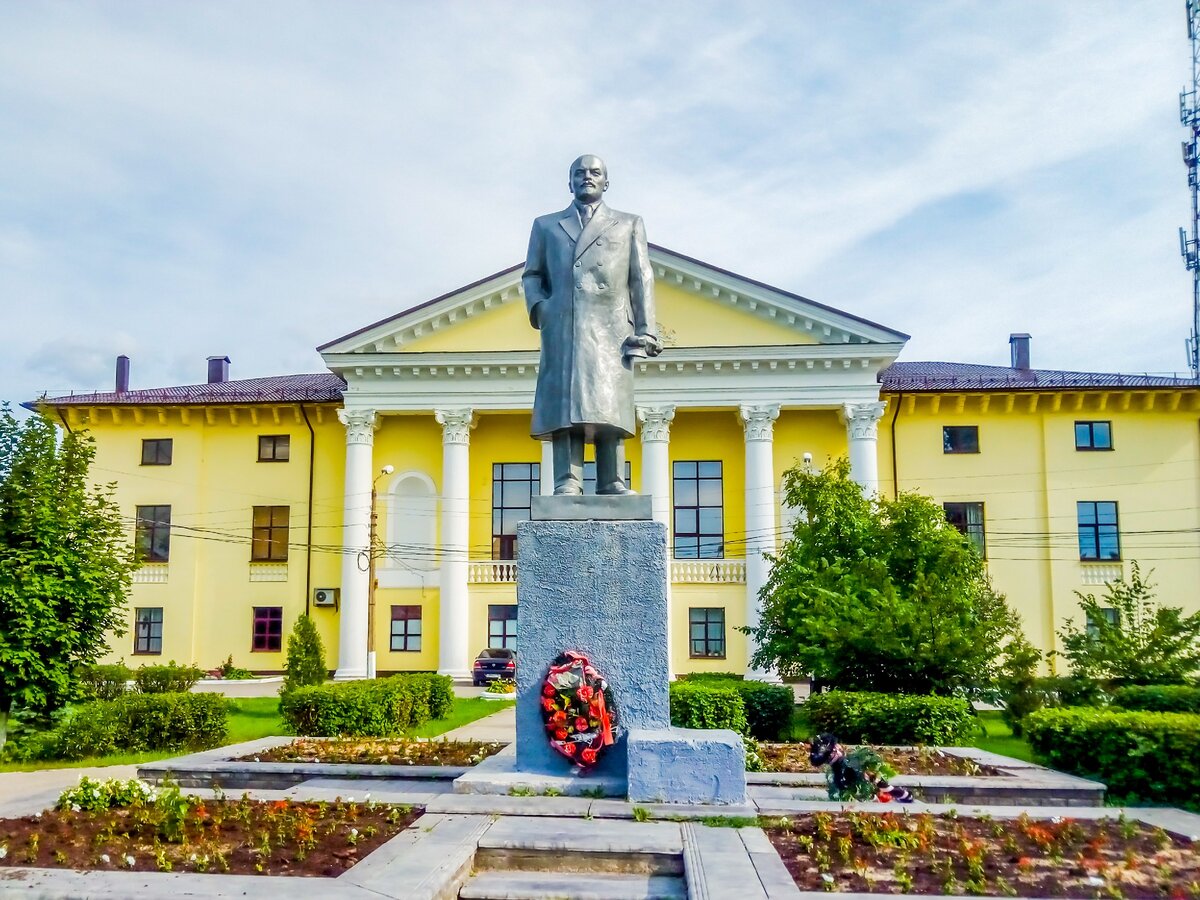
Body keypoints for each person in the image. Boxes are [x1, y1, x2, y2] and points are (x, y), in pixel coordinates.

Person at [523, 155, 662, 495]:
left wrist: (646, 328)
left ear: (606, 182)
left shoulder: (628, 224)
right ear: (569, 182)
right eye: (579, 173)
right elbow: (532, 275)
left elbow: (641, 277)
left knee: (608, 406)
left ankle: (611, 480)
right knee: (565, 406)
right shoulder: (546, 225)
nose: (587, 177)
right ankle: (566, 481)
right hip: (563, 326)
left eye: (594, 172)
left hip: (612, 329)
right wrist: (543, 309)